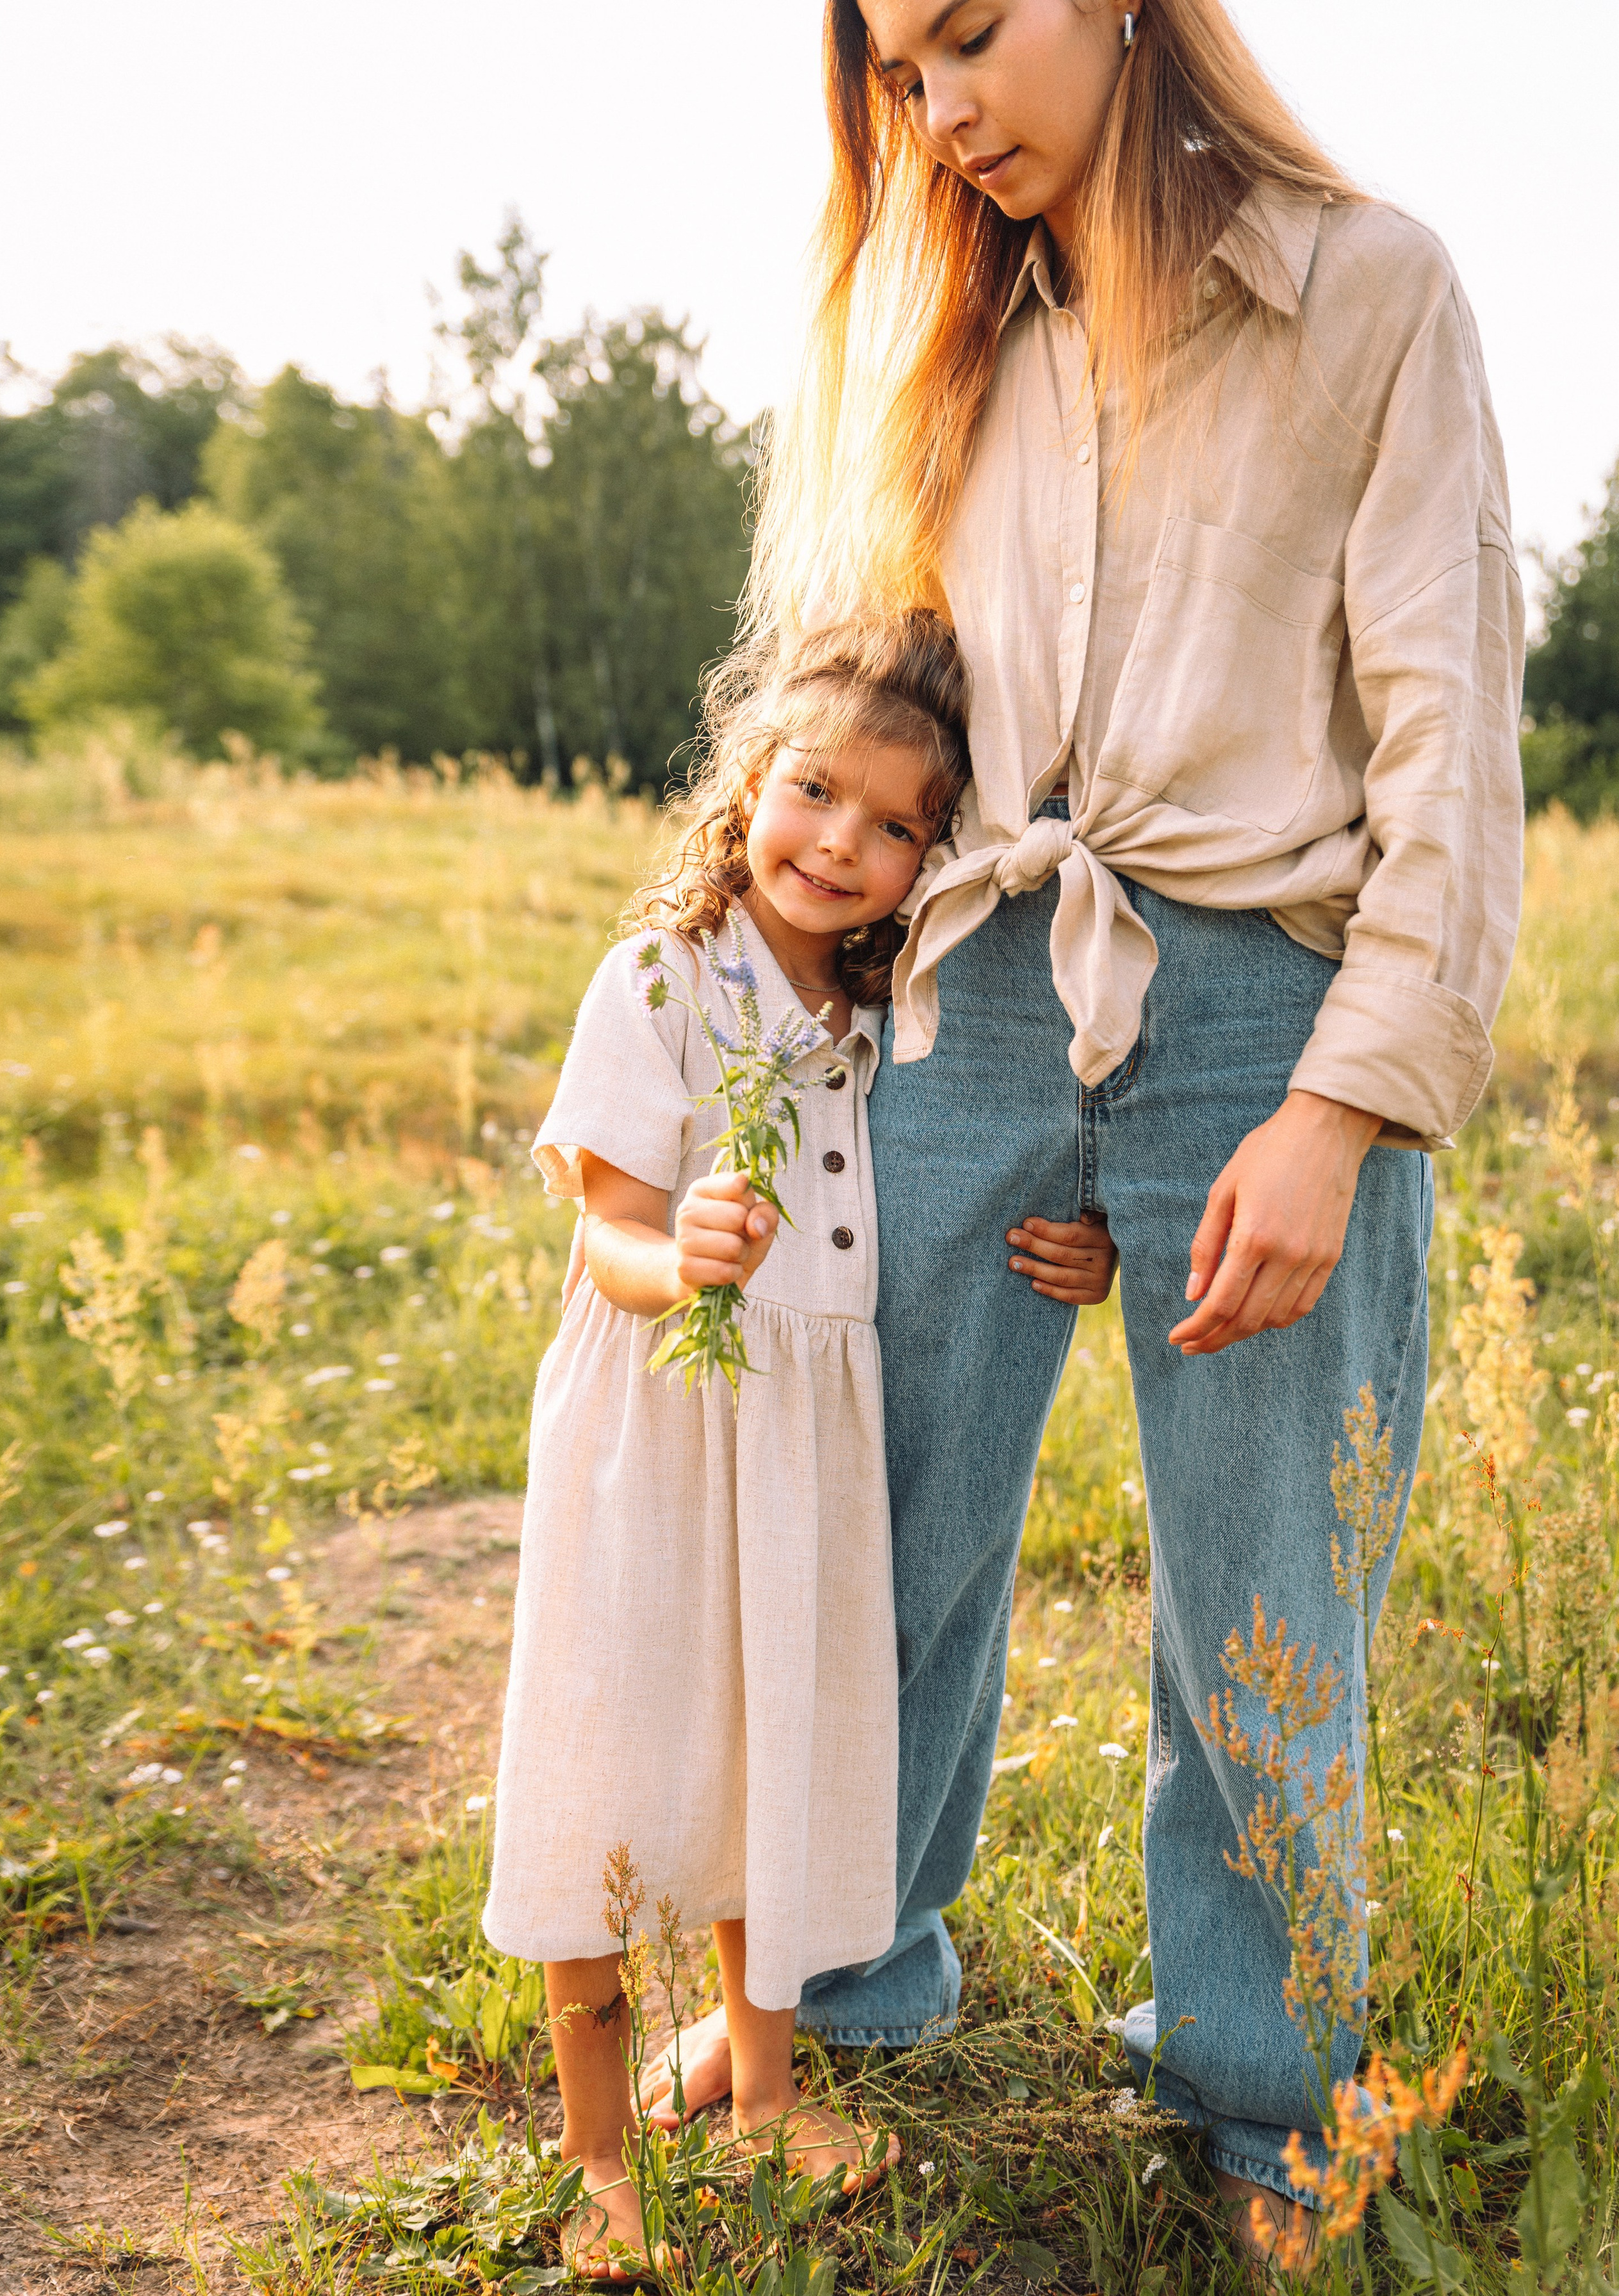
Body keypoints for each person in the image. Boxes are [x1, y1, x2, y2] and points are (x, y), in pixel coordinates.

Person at [639, 0, 1524, 2265]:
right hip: (983, 992)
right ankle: (835, 1992)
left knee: (1261, 1589)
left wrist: (1335, 1113)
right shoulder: (966, 349)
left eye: (965, 39)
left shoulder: (1379, 289)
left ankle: (1262, 2098)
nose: (938, 110)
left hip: (1263, 1013)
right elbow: (873, 746)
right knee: (886, 1507)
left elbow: (1448, 744)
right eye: (896, 77)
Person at [483, 612, 1117, 2284]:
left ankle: (765, 2103)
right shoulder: (661, 979)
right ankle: (601, 2161)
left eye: (898, 822)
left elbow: (959, 1185)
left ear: (935, 860)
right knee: (612, 1762)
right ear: (746, 783)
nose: (841, 840)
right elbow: (604, 1237)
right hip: (662, 1433)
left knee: (776, 1755)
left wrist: (1085, 1236)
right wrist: (676, 1248)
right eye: (814, 790)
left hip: (800, 1454)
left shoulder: (875, 1017)